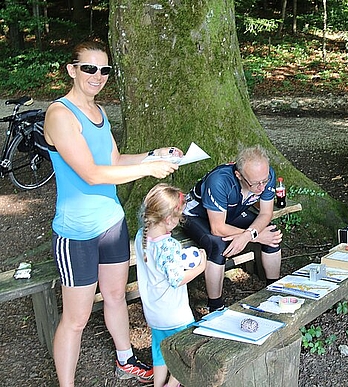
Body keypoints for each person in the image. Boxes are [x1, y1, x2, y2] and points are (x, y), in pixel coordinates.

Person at [43, 41, 183, 386]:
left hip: (111, 224)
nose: (98, 76)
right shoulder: (60, 114)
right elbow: (91, 173)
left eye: (104, 70)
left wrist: (154, 154)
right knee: (75, 319)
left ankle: (125, 360)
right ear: (72, 70)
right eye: (89, 68)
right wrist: (149, 171)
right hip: (77, 232)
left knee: (116, 295)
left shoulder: (98, 112)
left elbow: (115, 161)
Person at [183, 145, 283, 313]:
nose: (262, 187)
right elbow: (218, 228)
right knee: (217, 245)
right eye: (256, 183)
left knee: (271, 234)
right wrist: (255, 236)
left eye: (265, 181)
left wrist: (249, 234)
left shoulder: (266, 175)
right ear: (239, 175)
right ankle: (215, 306)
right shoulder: (219, 181)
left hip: (230, 213)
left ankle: (274, 290)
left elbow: (266, 213)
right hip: (196, 216)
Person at [135, 183, 207, 387]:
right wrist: (200, 267)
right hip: (175, 315)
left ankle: (158, 384)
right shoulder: (168, 246)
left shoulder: (142, 235)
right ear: (168, 220)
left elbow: (161, 268)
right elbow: (177, 279)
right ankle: (173, 383)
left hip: (154, 313)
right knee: (185, 352)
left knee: (159, 350)